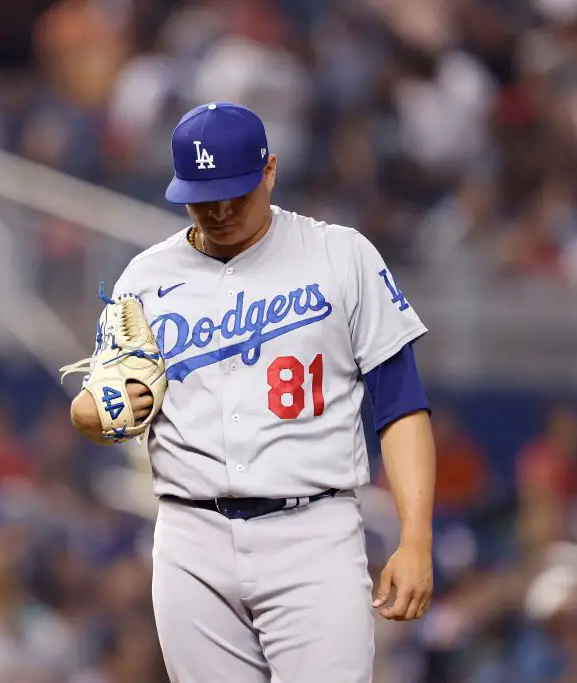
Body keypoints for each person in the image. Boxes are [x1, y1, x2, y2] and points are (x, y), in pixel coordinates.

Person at [67, 102, 436, 683]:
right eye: (200, 193)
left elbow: (402, 407)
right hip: (191, 536)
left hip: (312, 531)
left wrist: (416, 537)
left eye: (235, 191)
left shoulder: (340, 256)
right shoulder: (145, 277)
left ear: (269, 172)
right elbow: (104, 402)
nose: (218, 209)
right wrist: (89, 415)